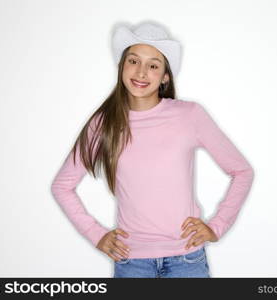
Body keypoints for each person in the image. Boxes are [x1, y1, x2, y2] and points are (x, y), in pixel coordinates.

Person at [50, 21, 255, 278]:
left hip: (186, 260)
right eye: (134, 61)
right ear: (121, 66)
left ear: (165, 77)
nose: (142, 72)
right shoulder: (104, 123)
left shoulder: (189, 115)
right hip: (131, 263)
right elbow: (62, 185)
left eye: (154, 65)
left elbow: (242, 171)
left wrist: (217, 226)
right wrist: (96, 235)